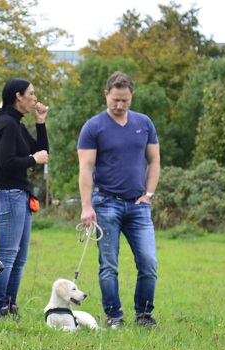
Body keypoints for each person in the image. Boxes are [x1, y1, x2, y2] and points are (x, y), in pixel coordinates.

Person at [77, 71, 160, 329]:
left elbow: (154, 160)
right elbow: (85, 168)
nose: (119, 105)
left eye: (124, 100)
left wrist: (148, 195)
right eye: (115, 100)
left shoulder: (144, 123)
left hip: (138, 206)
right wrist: (87, 206)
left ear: (131, 96)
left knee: (148, 262)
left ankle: (144, 315)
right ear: (106, 95)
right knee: (108, 265)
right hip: (106, 203)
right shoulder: (93, 127)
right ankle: (114, 316)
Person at [0, 78, 49, 320]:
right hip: (8, 194)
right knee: (9, 255)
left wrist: (40, 122)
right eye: (31, 94)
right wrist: (33, 160)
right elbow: (6, 162)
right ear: (18, 96)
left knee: (19, 257)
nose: (35, 98)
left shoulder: (17, 125)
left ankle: (9, 307)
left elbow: (42, 151)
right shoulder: (7, 124)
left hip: (18, 195)